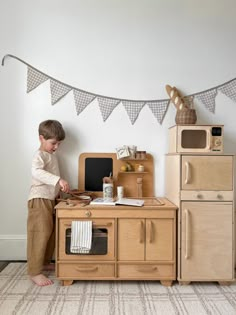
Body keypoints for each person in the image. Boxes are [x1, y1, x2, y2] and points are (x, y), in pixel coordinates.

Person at [27, 120, 70, 286]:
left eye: (59, 143)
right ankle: (34, 271)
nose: (56, 146)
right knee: (39, 233)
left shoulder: (52, 155)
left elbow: (51, 179)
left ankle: (43, 262)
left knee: (50, 232)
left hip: (50, 199)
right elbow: (37, 172)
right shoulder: (39, 156)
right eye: (53, 143)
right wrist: (58, 180)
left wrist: (60, 191)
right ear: (41, 138)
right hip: (39, 199)